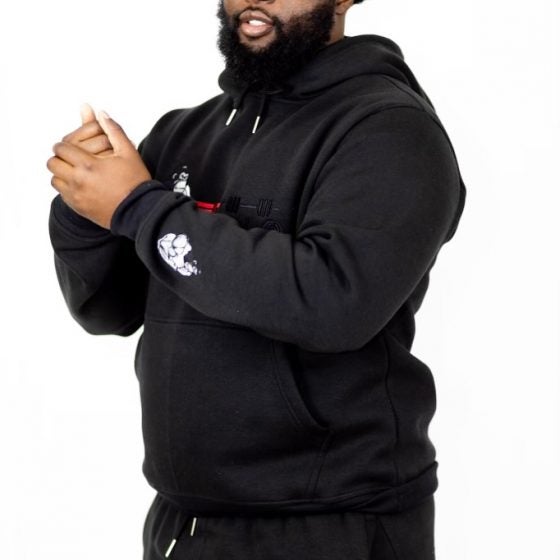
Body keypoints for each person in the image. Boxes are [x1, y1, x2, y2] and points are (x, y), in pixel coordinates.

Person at [47, 0, 466, 558]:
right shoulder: (185, 131)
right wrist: (84, 206)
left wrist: (137, 207)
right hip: (184, 521)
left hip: (331, 525)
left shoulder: (390, 130)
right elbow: (109, 309)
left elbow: (332, 305)